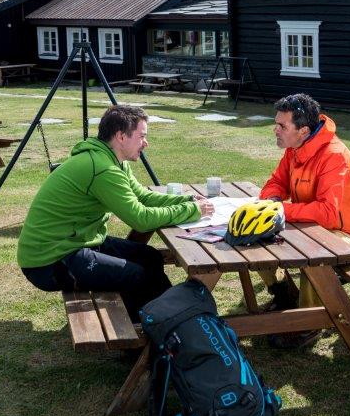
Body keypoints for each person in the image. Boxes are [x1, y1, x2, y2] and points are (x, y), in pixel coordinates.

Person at [17, 104, 213, 317]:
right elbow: (141, 219)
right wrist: (191, 210)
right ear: (121, 136)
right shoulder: (103, 168)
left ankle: (170, 319)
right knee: (135, 275)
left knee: (150, 257)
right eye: (141, 136)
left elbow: (142, 196)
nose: (145, 143)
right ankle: (146, 334)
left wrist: (186, 199)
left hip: (76, 243)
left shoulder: (112, 161)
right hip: (49, 261)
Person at [257, 94, 350, 345]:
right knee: (253, 232)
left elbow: (328, 213)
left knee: (315, 253)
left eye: (282, 126)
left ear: (304, 130)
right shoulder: (294, 149)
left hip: (349, 235)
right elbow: (276, 182)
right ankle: (284, 295)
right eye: (276, 123)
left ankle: (307, 325)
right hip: (312, 228)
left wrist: (282, 211)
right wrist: (272, 200)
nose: (275, 130)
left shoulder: (334, 155)